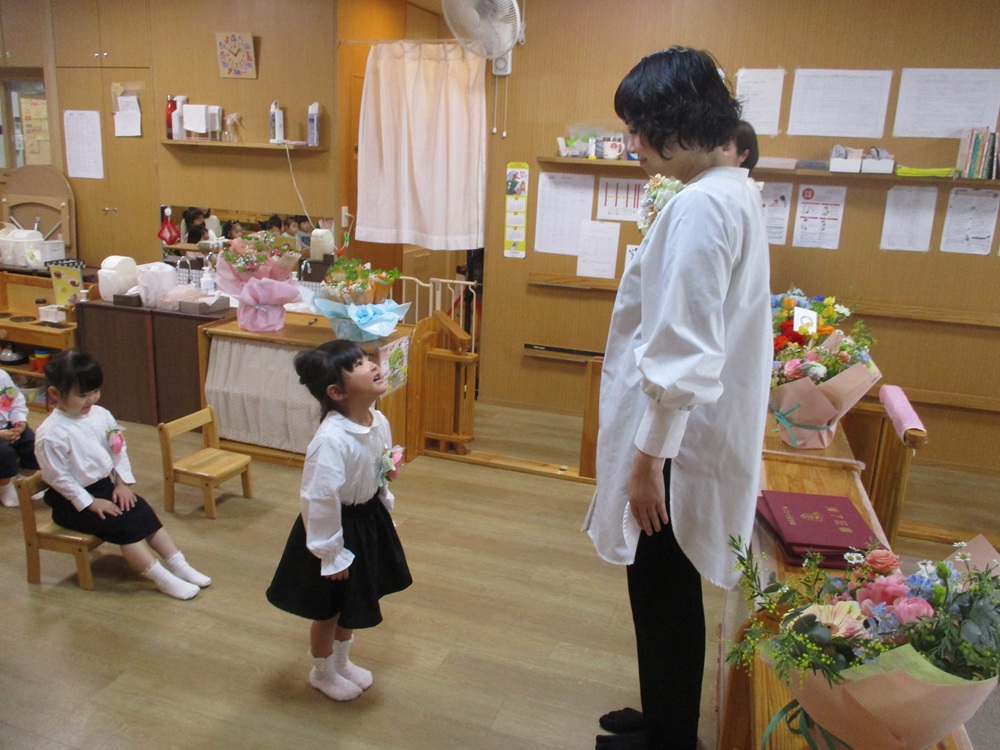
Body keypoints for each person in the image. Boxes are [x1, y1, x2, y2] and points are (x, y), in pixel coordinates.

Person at [583, 47, 771, 750]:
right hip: (684, 432)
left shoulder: (702, 206)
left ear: (678, 122)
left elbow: (684, 357)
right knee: (662, 591)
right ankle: (663, 717)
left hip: (674, 445)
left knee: (663, 593)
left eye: (639, 128)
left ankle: (670, 739)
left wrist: (645, 465)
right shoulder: (730, 191)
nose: (632, 143)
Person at [266, 340, 412, 702]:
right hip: (335, 529)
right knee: (328, 609)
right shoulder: (331, 439)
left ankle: (342, 662)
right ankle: (322, 672)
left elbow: (379, 469)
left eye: (366, 358)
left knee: (353, 600)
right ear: (336, 392)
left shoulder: (378, 420)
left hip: (366, 520)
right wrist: (331, 553)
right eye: (358, 364)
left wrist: (383, 507)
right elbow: (318, 497)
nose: (372, 365)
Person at [34, 350, 211, 600]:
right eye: (82, 395)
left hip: (105, 486)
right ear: (54, 394)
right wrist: (91, 502)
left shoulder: (101, 414)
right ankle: (162, 579)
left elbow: (118, 449)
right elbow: (58, 478)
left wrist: (122, 483)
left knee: (143, 511)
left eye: (95, 391)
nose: (91, 399)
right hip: (71, 501)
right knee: (124, 526)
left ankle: (179, 564)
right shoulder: (51, 434)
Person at [0, 370, 39, 507]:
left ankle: (24, 480)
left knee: (33, 443)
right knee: (4, 454)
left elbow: (16, 400)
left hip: (7, 424)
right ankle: (4, 489)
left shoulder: (2, 376)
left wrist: (19, 421)